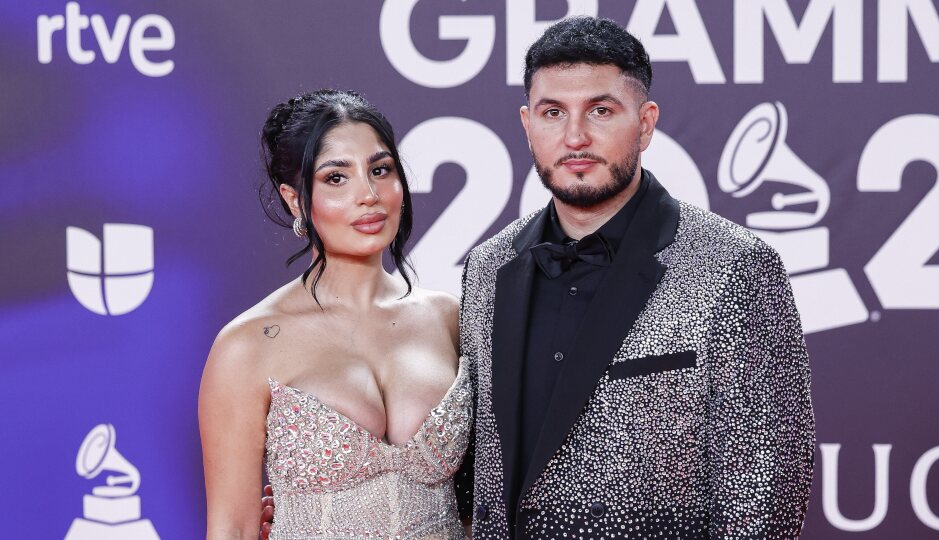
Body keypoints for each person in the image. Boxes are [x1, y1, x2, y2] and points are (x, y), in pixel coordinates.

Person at [262, 16, 815, 540]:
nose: (574, 137)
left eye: (601, 111)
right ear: (528, 125)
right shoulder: (487, 268)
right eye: (553, 113)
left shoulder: (734, 266)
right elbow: (466, 470)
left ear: (645, 123)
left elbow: (765, 494)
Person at [199, 89, 472, 539]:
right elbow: (232, 529)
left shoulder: (449, 318)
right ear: (294, 199)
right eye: (336, 178)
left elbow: (480, 503)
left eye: (380, 170)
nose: (368, 195)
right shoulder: (247, 344)